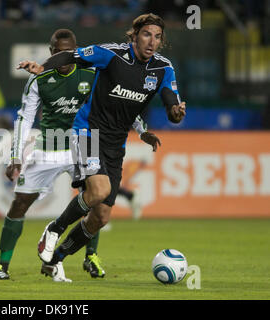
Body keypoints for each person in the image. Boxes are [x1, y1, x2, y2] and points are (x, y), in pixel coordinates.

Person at [0, 29, 161, 282]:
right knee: (20, 202)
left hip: (87, 141)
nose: (62, 57)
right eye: (57, 53)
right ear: (51, 53)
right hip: (50, 147)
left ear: (75, 52)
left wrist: (142, 130)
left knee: (96, 201)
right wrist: (15, 157)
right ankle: (2, 266)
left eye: (67, 52)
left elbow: (122, 104)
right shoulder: (39, 79)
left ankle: (91, 256)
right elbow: (25, 118)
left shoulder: (92, 72)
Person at [18, 13, 186, 281]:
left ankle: (56, 258)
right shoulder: (111, 54)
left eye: (157, 37)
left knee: (101, 218)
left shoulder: (163, 69)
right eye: (146, 34)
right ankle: (54, 228)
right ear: (134, 35)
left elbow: (171, 107)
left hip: (116, 143)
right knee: (100, 190)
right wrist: (43, 67)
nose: (151, 41)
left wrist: (176, 112)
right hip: (88, 130)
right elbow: (69, 57)